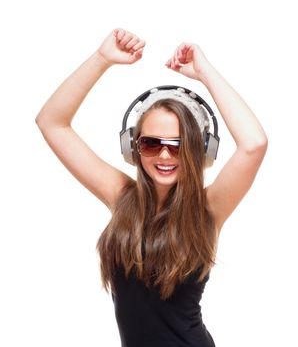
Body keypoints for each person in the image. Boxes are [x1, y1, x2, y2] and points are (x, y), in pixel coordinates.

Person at [35, 28, 267, 347]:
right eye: (151, 143)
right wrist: (101, 59)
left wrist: (206, 73)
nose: (164, 154)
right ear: (134, 148)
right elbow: (51, 122)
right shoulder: (120, 194)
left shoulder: (209, 209)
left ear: (198, 151)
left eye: (177, 145)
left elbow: (254, 144)